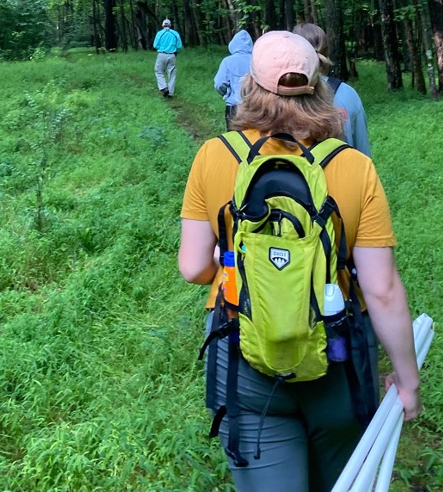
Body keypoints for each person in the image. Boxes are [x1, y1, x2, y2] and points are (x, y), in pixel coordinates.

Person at [178, 31, 421, 492]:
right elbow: (382, 290)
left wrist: (231, 258)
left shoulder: (214, 156)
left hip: (244, 355)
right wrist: (407, 382)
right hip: (339, 358)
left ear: (250, 84)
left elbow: (192, 268)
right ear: (318, 85)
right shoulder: (352, 166)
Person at [292, 23, 370, 156]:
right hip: (343, 174)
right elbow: (362, 153)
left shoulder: (278, 96)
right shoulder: (348, 94)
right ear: (326, 51)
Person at [214, 29, 254, 129]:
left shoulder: (228, 61)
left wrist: (227, 93)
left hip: (234, 106)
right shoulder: (257, 61)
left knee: (233, 140)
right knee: (253, 139)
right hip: (254, 107)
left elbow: (219, 83)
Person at [153, 18, 183, 98]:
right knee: (172, 73)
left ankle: (163, 88)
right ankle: (170, 92)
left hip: (162, 54)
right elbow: (179, 46)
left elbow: (155, 45)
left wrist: (162, 47)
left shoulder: (160, 33)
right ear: (170, 25)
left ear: (163, 25)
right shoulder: (175, 33)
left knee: (159, 72)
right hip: (172, 55)